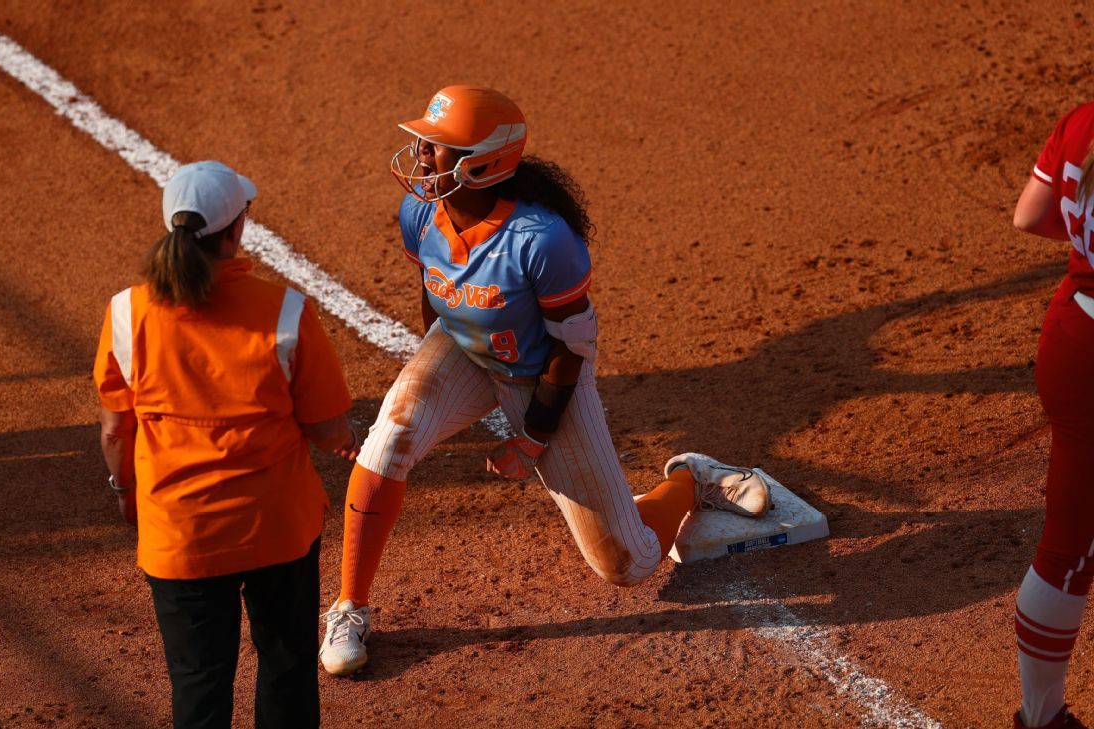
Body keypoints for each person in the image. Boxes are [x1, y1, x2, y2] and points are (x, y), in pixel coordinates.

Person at [318, 85, 773, 676]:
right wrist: (436, 380)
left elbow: (571, 350)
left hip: (544, 374)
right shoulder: (419, 213)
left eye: (439, 147)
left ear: (485, 162)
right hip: (462, 348)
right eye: (424, 142)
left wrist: (529, 438)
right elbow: (435, 297)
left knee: (628, 565)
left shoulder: (542, 240)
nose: (423, 155)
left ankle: (693, 478)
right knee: (389, 438)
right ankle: (349, 605)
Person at [93, 161, 357, 728]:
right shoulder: (285, 313)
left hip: (179, 537)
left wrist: (124, 489)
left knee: (199, 686)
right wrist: (342, 439)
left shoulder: (124, 314)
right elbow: (327, 428)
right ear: (239, 228)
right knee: (286, 673)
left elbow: (116, 429)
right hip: (277, 532)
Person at [1010, 102, 1094, 729]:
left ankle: (1040, 718)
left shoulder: (1082, 120)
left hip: (1071, 342)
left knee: (1068, 544)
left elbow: (1030, 215)